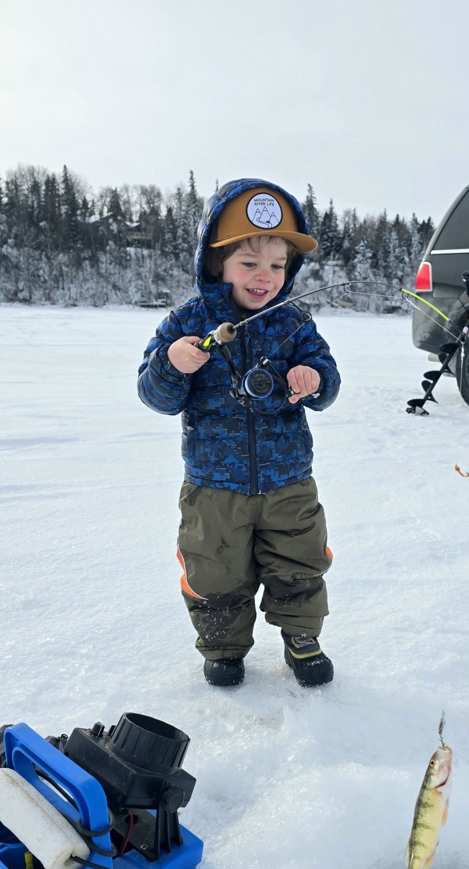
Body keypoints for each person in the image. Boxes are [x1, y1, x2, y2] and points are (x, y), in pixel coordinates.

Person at [137, 179, 340, 688]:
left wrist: (313, 380)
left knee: (299, 562)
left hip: (288, 478)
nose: (264, 277)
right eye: (249, 264)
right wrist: (173, 362)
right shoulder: (187, 321)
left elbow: (328, 379)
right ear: (215, 263)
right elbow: (155, 396)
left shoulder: (293, 321)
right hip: (212, 483)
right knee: (215, 571)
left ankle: (302, 637)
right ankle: (224, 647)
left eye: (277, 266)